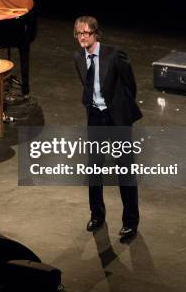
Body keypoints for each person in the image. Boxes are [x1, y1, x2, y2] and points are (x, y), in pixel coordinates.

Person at [73, 15, 142, 241]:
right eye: (79, 33)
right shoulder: (78, 56)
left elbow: (130, 84)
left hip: (116, 119)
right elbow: (87, 85)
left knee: (125, 170)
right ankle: (97, 215)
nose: (82, 37)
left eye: (86, 33)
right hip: (95, 117)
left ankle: (130, 222)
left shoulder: (114, 54)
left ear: (96, 34)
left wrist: (122, 111)